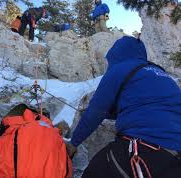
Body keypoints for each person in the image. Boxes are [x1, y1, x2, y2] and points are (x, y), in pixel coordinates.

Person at [67, 36, 181, 178]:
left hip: (145, 149)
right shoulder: (163, 75)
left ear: (116, 55)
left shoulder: (119, 69)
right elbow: (142, 104)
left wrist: (73, 144)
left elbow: (95, 112)